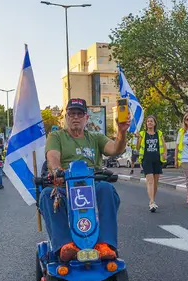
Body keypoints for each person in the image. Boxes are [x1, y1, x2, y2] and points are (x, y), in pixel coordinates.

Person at [39, 97, 130, 262]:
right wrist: (57, 171)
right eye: (71, 113)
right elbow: (53, 158)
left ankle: (105, 244)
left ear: (86, 118)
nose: (75, 117)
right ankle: (65, 246)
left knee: (107, 189)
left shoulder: (95, 137)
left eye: (79, 114)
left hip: (92, 185)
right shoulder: (56, 136)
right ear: (66, 117)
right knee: (47, 195)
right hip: (65, 185)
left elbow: (115, 148)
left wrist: (122, 132)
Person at [138, 115, 167, 212]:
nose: (149, 123)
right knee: (150, 181)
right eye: (148, 121)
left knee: (155, 182)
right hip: (146, 159)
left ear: (154, 123)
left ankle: (152, 200)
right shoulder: (142, 134)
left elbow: (164, 145)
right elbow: (137, 147)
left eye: (151, 121)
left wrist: (164, 154)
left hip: (157, 160)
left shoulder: (159, 133)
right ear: (146, 124)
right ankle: (151, 202)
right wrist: (138, 138)